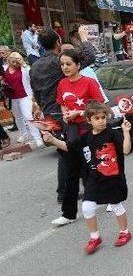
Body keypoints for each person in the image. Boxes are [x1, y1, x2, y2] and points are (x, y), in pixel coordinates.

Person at [42, 102, 133, 254]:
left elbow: (126, 150)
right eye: (97, 118)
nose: (102, 121)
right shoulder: (87, 136)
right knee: (87, 207)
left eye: (103, 117)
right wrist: (52, 140)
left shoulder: (112, 134)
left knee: (116, 206)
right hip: (94, 178)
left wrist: (126, 132)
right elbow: (69, 147)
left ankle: (125, 232)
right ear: (89, 121)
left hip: (113, 177)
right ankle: (95, 237)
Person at [51, 49, 107, 227]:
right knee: (71, 171)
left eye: (68, 64)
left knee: (95, 166)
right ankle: (68, 213)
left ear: (78, 65)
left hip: (89, 130)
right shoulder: (62, 84)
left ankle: (109, 199)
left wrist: (80, 112)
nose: (65, 67)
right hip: (72, 130)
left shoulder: (89, 82)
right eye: (62, 64)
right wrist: (66, 114)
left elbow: (100, 108)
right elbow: (62, 105)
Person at [30, 29, 66, 202]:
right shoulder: (60, 62)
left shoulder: (35, 66)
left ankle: (68, 190)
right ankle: (64, 193)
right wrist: (83, 38)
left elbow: (36, 91)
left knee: (67, 150)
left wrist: (39, 106)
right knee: (69, 150)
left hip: (49, 112)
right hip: (63, 112)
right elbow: (89, 56)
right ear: (58, 42)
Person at [4, 52, 43, 146]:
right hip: (12, 97)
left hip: (25, 96)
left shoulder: (24, 68)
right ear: (9, 60)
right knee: (18, 117)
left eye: (18, 59)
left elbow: (30, 76)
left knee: (28, 116)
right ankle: (24, 134)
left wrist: (23, 64)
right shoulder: (4, 68)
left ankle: (37, 138)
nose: (15, 62)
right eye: (13, 60)